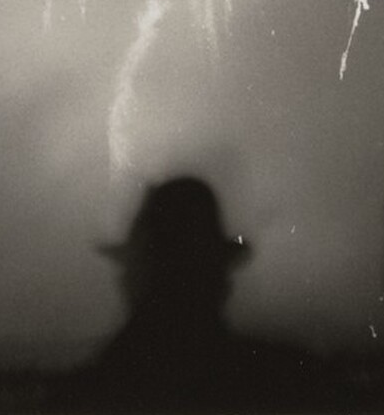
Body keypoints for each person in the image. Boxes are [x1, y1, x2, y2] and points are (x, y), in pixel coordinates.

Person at [70, 175, 337, 412]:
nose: (123, 279)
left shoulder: (95, 390)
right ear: (219, 281)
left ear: (138, 280)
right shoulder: (288, 378)